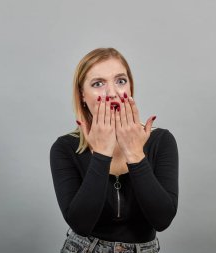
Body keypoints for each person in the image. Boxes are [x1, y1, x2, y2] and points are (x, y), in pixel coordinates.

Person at [49, 48, 179, 253]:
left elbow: (162, 220)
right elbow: (81, 224)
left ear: (131, 86)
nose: (112, 93)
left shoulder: (161, 141)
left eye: (120, 81)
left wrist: (135, 155)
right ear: (82, 95)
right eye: (98, 84)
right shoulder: (64, 148)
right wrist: (101, 154)